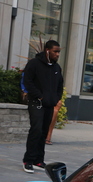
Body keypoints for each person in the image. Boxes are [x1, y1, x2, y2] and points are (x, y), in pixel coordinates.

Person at [22, 40, 64, 173]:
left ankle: (38, 160)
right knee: (36, 129)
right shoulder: (34, 64)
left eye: (58, 52)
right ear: (47, 51)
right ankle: (28, 160)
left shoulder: (56, 68)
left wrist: (56, 98)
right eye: (55, 51)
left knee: (44, 132)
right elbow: (27, 81)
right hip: (36, 103)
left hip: (49, 105)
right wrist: (40, 96)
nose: (57, 54)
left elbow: (59, 85)